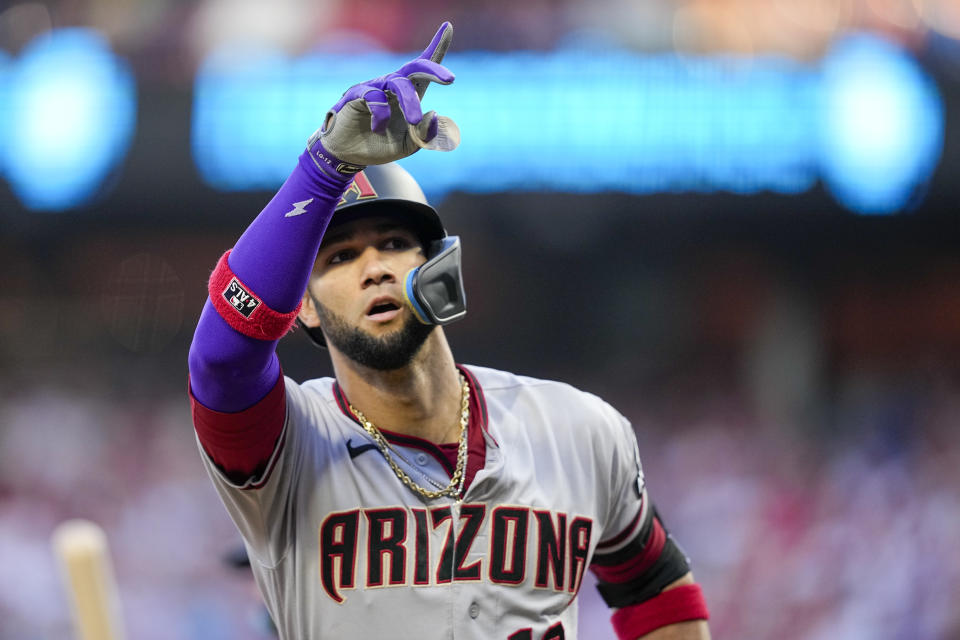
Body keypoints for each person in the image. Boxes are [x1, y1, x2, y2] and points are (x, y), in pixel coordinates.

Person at [188, 22, 710, 640]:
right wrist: (324, 169)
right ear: (300, 306)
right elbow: (222, 361)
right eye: (339, 258)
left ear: (437, 266)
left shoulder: (578, 428)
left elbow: (654, 590)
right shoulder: (286, 447)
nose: (375, 267)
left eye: (393, 243)